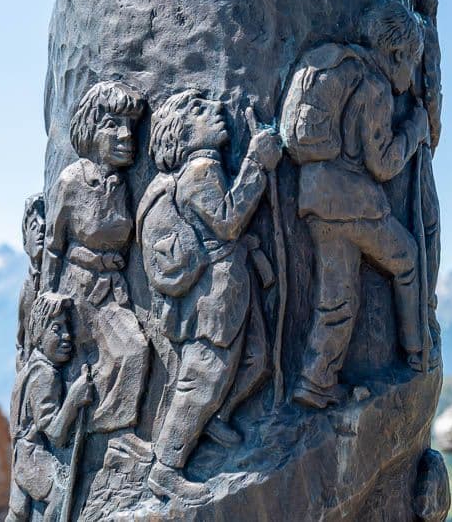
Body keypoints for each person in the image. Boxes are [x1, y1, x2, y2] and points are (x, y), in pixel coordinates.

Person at [280, 0, 433, 410]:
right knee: (406, 260)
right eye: (412, 62)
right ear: (397, 54)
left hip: (314, 198)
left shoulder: (329, 63)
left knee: (338, 296)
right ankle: (416, 351)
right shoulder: (374, 85)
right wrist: (414, 132)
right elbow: (383, 165)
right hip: (355, 203)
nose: (412, 74)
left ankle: (315, 382)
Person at [137, 90, 281, 501]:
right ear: (179, 131)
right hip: (214, 293)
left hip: (232, 284)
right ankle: (166, 467)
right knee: (203, 377)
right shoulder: (200, 171)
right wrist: (256, 162)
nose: (217, 111)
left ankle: (214, 417)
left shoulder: (207, 167)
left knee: (256, 359)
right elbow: (229, 222)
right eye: (199, 110)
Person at [42, 81, 149, 434]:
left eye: (129, 126)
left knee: (134, 352)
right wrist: (47, 304)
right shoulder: (71, 182)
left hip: (111, 289)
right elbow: (53, 246)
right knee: (117, 355)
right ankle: (89, 430)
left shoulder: (120, 185)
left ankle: (107, 430)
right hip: (78, 291)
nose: (125, 135)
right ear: (91, 129)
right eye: (112, 125)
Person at [7, 293, 93, 522]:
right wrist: (74, 398)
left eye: (67, 327)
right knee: (62, 490)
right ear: (38, 333)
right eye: (57, 328)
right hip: (31, 455)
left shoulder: (31, 366)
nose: (67, 336)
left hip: (21, 455)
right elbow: (55, 434)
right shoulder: (44, 374)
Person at [413, 0, 443, 368]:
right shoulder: (424, 32)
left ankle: (425, 313)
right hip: (414, 143)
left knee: (427, 230)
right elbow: (432, 90)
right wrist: (428, 132)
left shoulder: (422, 32)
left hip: (414, 142)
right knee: (427, 230)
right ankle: (424, 316)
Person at [16, 194, 45, 371]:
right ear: (26, 239)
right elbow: (20, 337)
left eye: (46, 225)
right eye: (34, 225)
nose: (41, 229)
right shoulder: (26, 288)